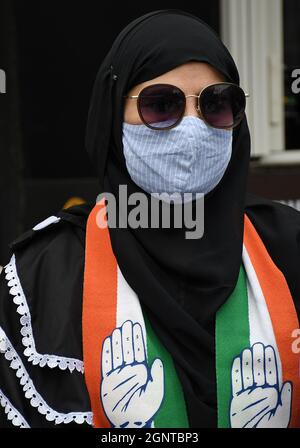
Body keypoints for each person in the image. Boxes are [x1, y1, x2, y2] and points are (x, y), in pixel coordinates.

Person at [0, 9, 300, 429]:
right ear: (111, 117)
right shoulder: (46, 274)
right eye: (161, 104)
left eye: (216, 105)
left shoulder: (287, 248)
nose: (192, 131)